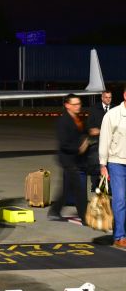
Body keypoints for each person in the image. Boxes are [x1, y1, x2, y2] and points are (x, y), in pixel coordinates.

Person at [48, 94, 89, 223]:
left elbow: (80, 134)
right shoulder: (63, 121)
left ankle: (54, 211)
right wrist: (79, 148)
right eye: (75, 104)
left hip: (75, 158)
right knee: (79, 189)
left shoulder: (77, 119)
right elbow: (64, 144)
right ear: (67, 105)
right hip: (67, 159)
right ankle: (85, 217)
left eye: (79, 104)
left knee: (67, 189)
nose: (78, 106)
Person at [99, 86, 126, 248]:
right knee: (120, 200)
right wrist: (103, 164)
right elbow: (104, 140)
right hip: (117, 163)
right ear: (124, 95)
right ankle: (120, 236)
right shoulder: (112, 115)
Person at [86, 90, 113, 192]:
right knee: (96, 164)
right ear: (102, 98)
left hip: (111, 142)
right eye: (106, 97)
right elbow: (89, 126)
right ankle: (95, 185)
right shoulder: (94, 109)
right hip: (97, 141)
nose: (108, 99)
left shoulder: (114, 109)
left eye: (110, 97)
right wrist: (99, 131)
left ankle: (108, 187)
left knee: (109, 164)